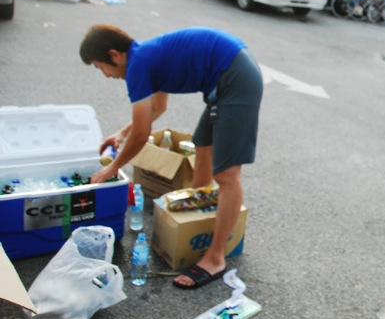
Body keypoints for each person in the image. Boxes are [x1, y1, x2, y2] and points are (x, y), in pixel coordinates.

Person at [79, 25, 263, 289]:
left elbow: (142, 134)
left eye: (101, 67)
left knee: (226, 175)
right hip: (223, 80)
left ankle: (215, 257)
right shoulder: (145, 57)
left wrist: (113, 168)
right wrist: (120, 134)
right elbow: (158, 108)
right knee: (202, 147)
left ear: (114, 55)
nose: (106, 75)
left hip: (235, 79)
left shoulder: (138, 65)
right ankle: (197, 221)